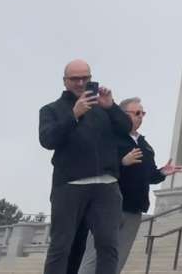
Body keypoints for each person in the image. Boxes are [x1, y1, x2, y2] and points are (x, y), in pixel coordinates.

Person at [39, 60, 132, 274]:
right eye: (75, 79)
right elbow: (47, 140)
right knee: (61, 246)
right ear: (65, 81)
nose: (81, 83)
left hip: (106, 187)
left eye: (85, 78)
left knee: (108, 246)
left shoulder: (104, 108)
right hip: (70, 185)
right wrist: (74, 115)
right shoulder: (51, 110)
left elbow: (126, 128)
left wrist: (112, 107)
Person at [76, 97, 179, 274]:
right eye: (136, 113)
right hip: (108, 207)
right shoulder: (110, 137)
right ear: (122, 115)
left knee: (118, 260)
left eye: (143, 113)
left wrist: (162, 172)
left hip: (134, 209)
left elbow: (149, 176)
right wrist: (122, 162)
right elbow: (96, 166)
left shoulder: (145, 145)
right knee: (94, 258)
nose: (141, 117)